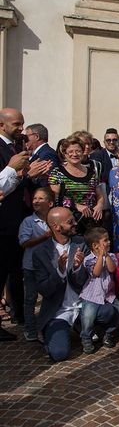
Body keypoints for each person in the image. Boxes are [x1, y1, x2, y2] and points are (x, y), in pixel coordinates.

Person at [32, 207, 88, 361]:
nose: (75, 223)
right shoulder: (41, 252)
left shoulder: (81, 243)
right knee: (59, 353)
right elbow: (44, 290)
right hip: (59, 311)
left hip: (82, 305)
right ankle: (53, 334)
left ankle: (82, 327)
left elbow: (88, 281)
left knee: (109, 313)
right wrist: (59, 272)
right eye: (70, 222)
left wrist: (78, 268)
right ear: (56, 227)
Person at [0, 109, 32, 339]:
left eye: (22, 123)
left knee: (8, 271)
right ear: (2, 125)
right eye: (16, 124)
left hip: (13, 221)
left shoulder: (15, 148)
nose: (21, 128)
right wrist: (12, 168)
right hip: (2, 222)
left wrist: (24, 174)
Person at [79, 227, 119, 354]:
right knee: (88, 317)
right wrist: (100, 257)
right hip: (91, 295)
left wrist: (106, 256)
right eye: (105, 240)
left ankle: (108, 333)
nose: (109, 242)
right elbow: (96, 273)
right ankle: (86, 337)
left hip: (108, 295)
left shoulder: (111, 256)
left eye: (108, 239)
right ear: (95, 245)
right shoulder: (88, 260)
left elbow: (111, 269)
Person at [49, 136, 105, 235]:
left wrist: (99, 205)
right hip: (68, 223)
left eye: (78, 151)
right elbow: (55, 197)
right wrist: (76, 206)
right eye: (70, 151)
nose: (74, 154)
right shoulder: (57, 172)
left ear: (83, 152)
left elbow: (99, 195)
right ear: (64, 153)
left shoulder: (91, 173)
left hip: (90, 222)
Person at [19, 187, 54, 341]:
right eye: (34, 199)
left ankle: (48, 327)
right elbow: (24, 242)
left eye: (40, 198)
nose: (36, 201)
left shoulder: (54, 218)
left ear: (50, 203)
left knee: (50, 297)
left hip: (50, 266)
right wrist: (45, 237)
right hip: (31, 266)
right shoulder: (28, 221)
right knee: (30, 299)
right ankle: (30, 329)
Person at [24, 123, 58, 188]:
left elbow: (47, 179)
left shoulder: (47, 154)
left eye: (26, 137)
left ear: (37, 137)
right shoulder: (39, 152)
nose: (25, 140)